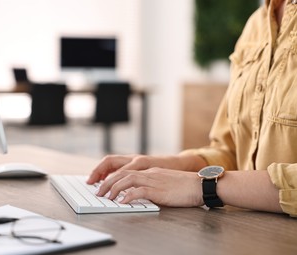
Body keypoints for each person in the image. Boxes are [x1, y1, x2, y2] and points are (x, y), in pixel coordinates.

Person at [87, 0, 297, 217]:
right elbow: (232, 152)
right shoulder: (257, 23)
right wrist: (173, 165)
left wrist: (202, 186)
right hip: (247, 234)